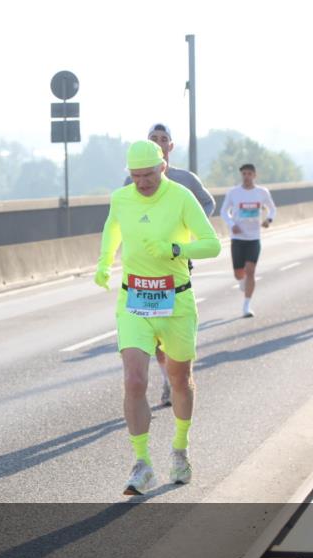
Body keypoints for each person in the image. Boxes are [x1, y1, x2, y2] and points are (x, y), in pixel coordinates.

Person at [96, 140, 221, 495]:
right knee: (134, 380)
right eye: (135, 176)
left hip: (176, 302)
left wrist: (175, 249)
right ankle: (141, 464)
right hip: (134, 300)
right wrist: (104, 262)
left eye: (148, 175)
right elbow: (113, 228)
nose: (142, 182)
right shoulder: (122, 198)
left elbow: (211, 244)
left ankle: (180, 451)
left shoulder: (181, 196)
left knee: (180, 380)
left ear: (162, 167)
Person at [125, 123, 215, 406]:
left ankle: (175, 375)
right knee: (152, 329)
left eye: (164, 139)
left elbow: (208, 204)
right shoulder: (131, 181)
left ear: (170, 147)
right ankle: (167, 378)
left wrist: (187, 230)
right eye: (154, 138)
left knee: (169, 321)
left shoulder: (184, 180)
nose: (159, 142)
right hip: (142, 268)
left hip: (175, 263)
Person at [218, 163, 277, 317]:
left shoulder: (262, 192)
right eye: (244, 173)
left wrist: (268, 220)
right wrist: (232, 224)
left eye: (249, 174)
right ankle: (241, 280)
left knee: (250, 271)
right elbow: (224, 211)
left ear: (254, 175)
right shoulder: (233, 193)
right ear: (241, 175)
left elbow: (272, 209)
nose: (246, 176)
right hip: (238, 238)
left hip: (253, 238)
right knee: (239, 274)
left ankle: (246, 306)